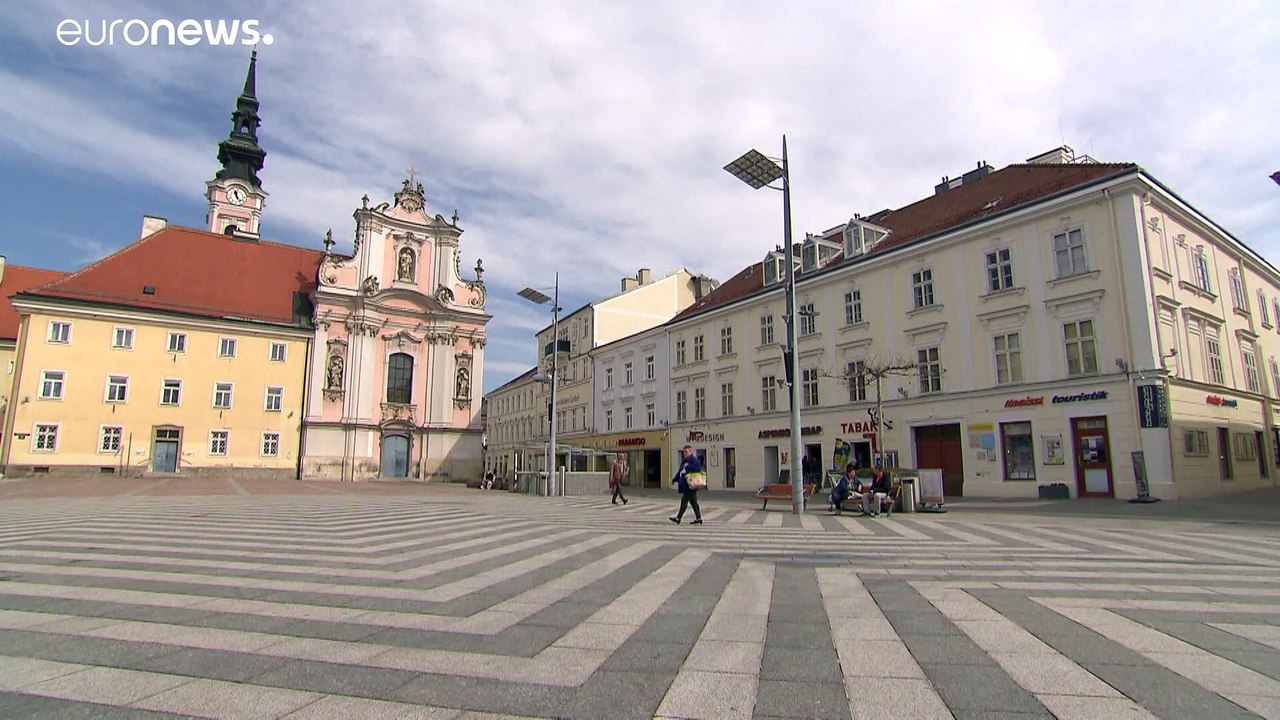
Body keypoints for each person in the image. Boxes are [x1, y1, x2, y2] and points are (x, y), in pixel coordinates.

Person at [669, 445, 704, 525]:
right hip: (687, 484)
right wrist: (675, 479)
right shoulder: (685, 460)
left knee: (684, 500)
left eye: (686, 452)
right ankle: (698, 518)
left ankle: (678, 518)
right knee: (693, 502)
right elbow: (680, 471)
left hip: (691, 484)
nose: (685, 453)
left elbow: (698, 467)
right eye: (684, 452)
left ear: (690, 452)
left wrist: (688, 466)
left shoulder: (693, 459)